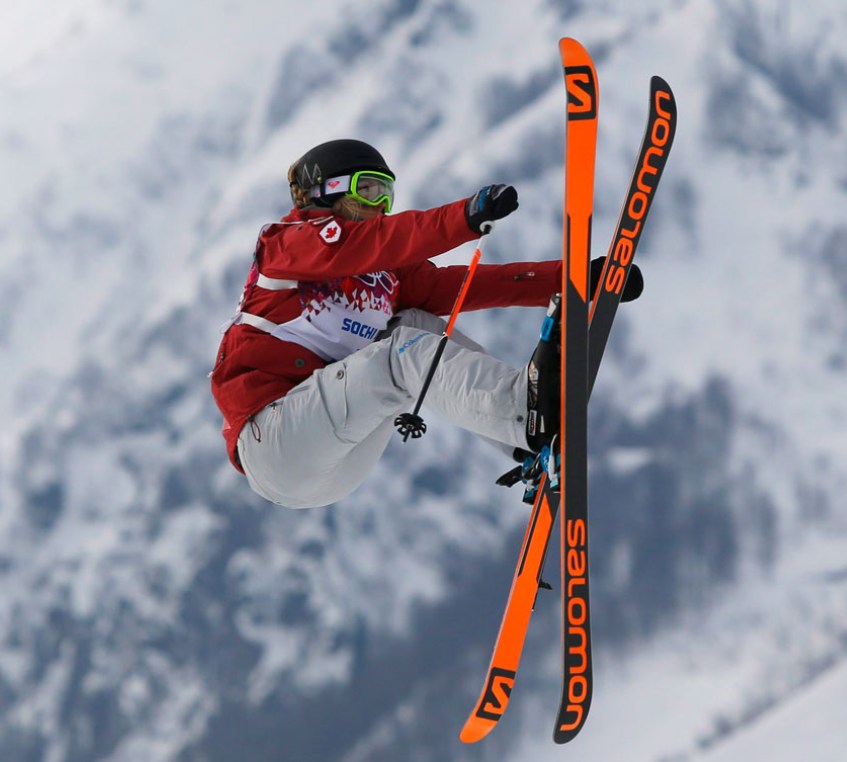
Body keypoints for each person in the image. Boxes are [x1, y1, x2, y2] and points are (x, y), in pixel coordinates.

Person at [210, 139, 641, 509]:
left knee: (415, 324)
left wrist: (579, 281)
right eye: (370, 190)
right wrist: (463, 218)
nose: (379, 205)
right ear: (329, 190)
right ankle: (523, 413)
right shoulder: (289, 244)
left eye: (388, 195)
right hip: (276, 441)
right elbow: (383, 240)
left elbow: (464, 287)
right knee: (401, 356)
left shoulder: (384, 276)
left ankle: (523, 442)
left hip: (335, 456)